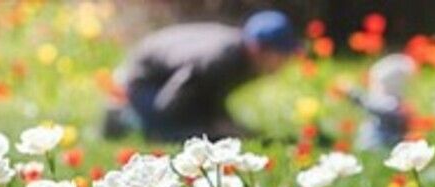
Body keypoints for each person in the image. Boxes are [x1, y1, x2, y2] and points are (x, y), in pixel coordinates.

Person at [103, 10, 299, 141]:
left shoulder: (241, 54)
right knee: (190, 136)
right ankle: (125, 116)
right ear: (259, 49)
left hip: (168, 75)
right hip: (146, 79)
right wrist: (206, 125)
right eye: (281, 55)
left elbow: (209, 93)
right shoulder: (222, 59)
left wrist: (224, 122)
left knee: (223, 133)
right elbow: (177, 94)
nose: (285, 61)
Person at [344, 53, 416, 150]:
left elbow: (375, 108)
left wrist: (355, 95)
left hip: (383, 142)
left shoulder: (392, 103)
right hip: (371, 140)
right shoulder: (386, 100)